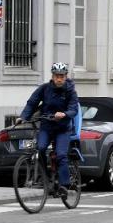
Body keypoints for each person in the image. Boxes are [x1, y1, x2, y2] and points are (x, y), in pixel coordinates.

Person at [17, 62, 79, 197]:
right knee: (40, 149)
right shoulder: (45, 89)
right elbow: (32, 102)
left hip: (63, 129)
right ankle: (45, 179)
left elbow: (74, 108)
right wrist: (23, 117)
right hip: (46, 126)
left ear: (65, 76)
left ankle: (64, 185)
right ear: (52, 76)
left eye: (62, 76)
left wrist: (64, 114)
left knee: (61, 155)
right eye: (57, 76)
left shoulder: (70, 91)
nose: (59, 79)